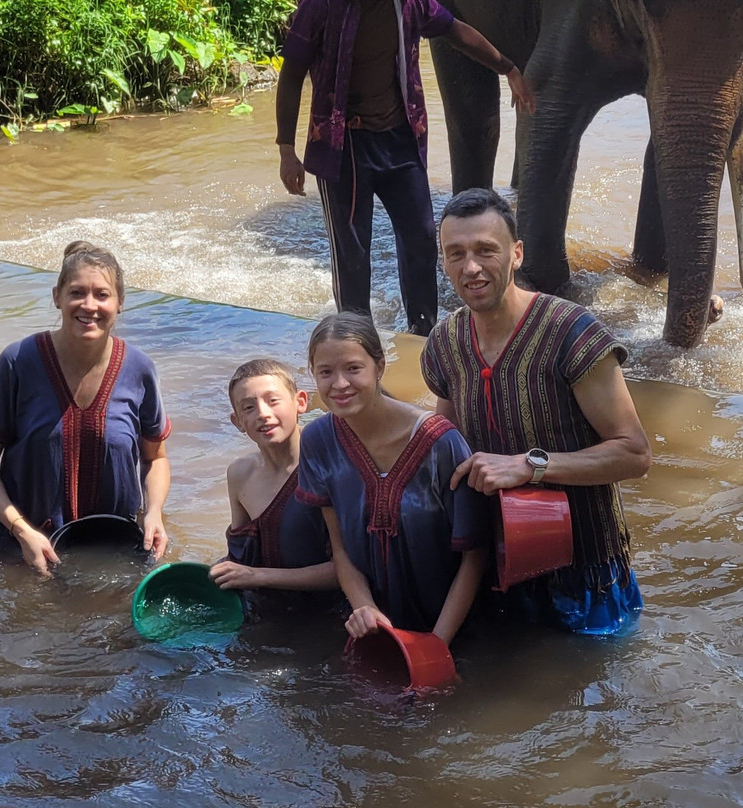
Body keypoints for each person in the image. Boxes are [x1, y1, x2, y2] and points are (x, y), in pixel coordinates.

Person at [421, 188, 653, 635]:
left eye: (486, 250)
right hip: (495, 569)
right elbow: (447, 452)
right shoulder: (443, 344)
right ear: (444, 263)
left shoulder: (573, 332)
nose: (471, 268)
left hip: (586, 572)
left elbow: (635, 455)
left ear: (517, 254)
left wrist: (530, 466)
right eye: (456, 254)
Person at [275, 0, 536, 337]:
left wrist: (508, 68)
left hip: (400, 137)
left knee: (423, 239)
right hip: (345, 145)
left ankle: (423, 334)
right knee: (352, 251)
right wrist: (286, 149)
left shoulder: (409, 4)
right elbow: (293, 72)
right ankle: (357, 339)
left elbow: (456, 32)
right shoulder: (323, 7)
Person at [0, 241, 171, 575]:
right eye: (77, 292)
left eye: (102, 295)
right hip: (24, 548)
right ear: (56, 296)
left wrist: (154, 513)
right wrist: (21, 530)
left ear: (120, 304)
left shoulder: (140, 369)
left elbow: (155, 458)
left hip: (112, 551)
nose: (89, 305)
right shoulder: (18, 363)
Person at [295, 312, 489, 644]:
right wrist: (366, 611)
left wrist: (438, 644)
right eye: (325, 372)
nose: (339, 384)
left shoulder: (440, 441)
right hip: (374, 628)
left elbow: (475, 555)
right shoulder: (317, 440)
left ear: (380, 366)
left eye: (353, 369)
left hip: (452, 627)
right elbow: (340, 549)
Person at [209, 359, 337, 617]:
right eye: (248, 407)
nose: (262, 413)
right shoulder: (239, 474)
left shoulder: (328, 465)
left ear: (300, 402)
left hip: (327, 613)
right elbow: (241, 556)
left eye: (273, 400)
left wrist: (258, 576)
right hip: (267, 605)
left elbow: (347, 570)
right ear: (238, 422)